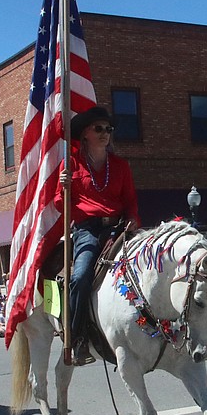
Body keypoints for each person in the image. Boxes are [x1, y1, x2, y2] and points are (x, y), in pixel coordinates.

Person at [54, 106, 140, 365]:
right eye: (98, 129)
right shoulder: (71, 165)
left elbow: (130, 201)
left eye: (108, 129)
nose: (105, 133)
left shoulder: (121, 166)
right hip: (87, 230)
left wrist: (134, 220)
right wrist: (63, 188)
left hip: (118, 227)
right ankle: (78, 338)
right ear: (85, 135)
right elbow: (60, 205)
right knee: (80, 277)